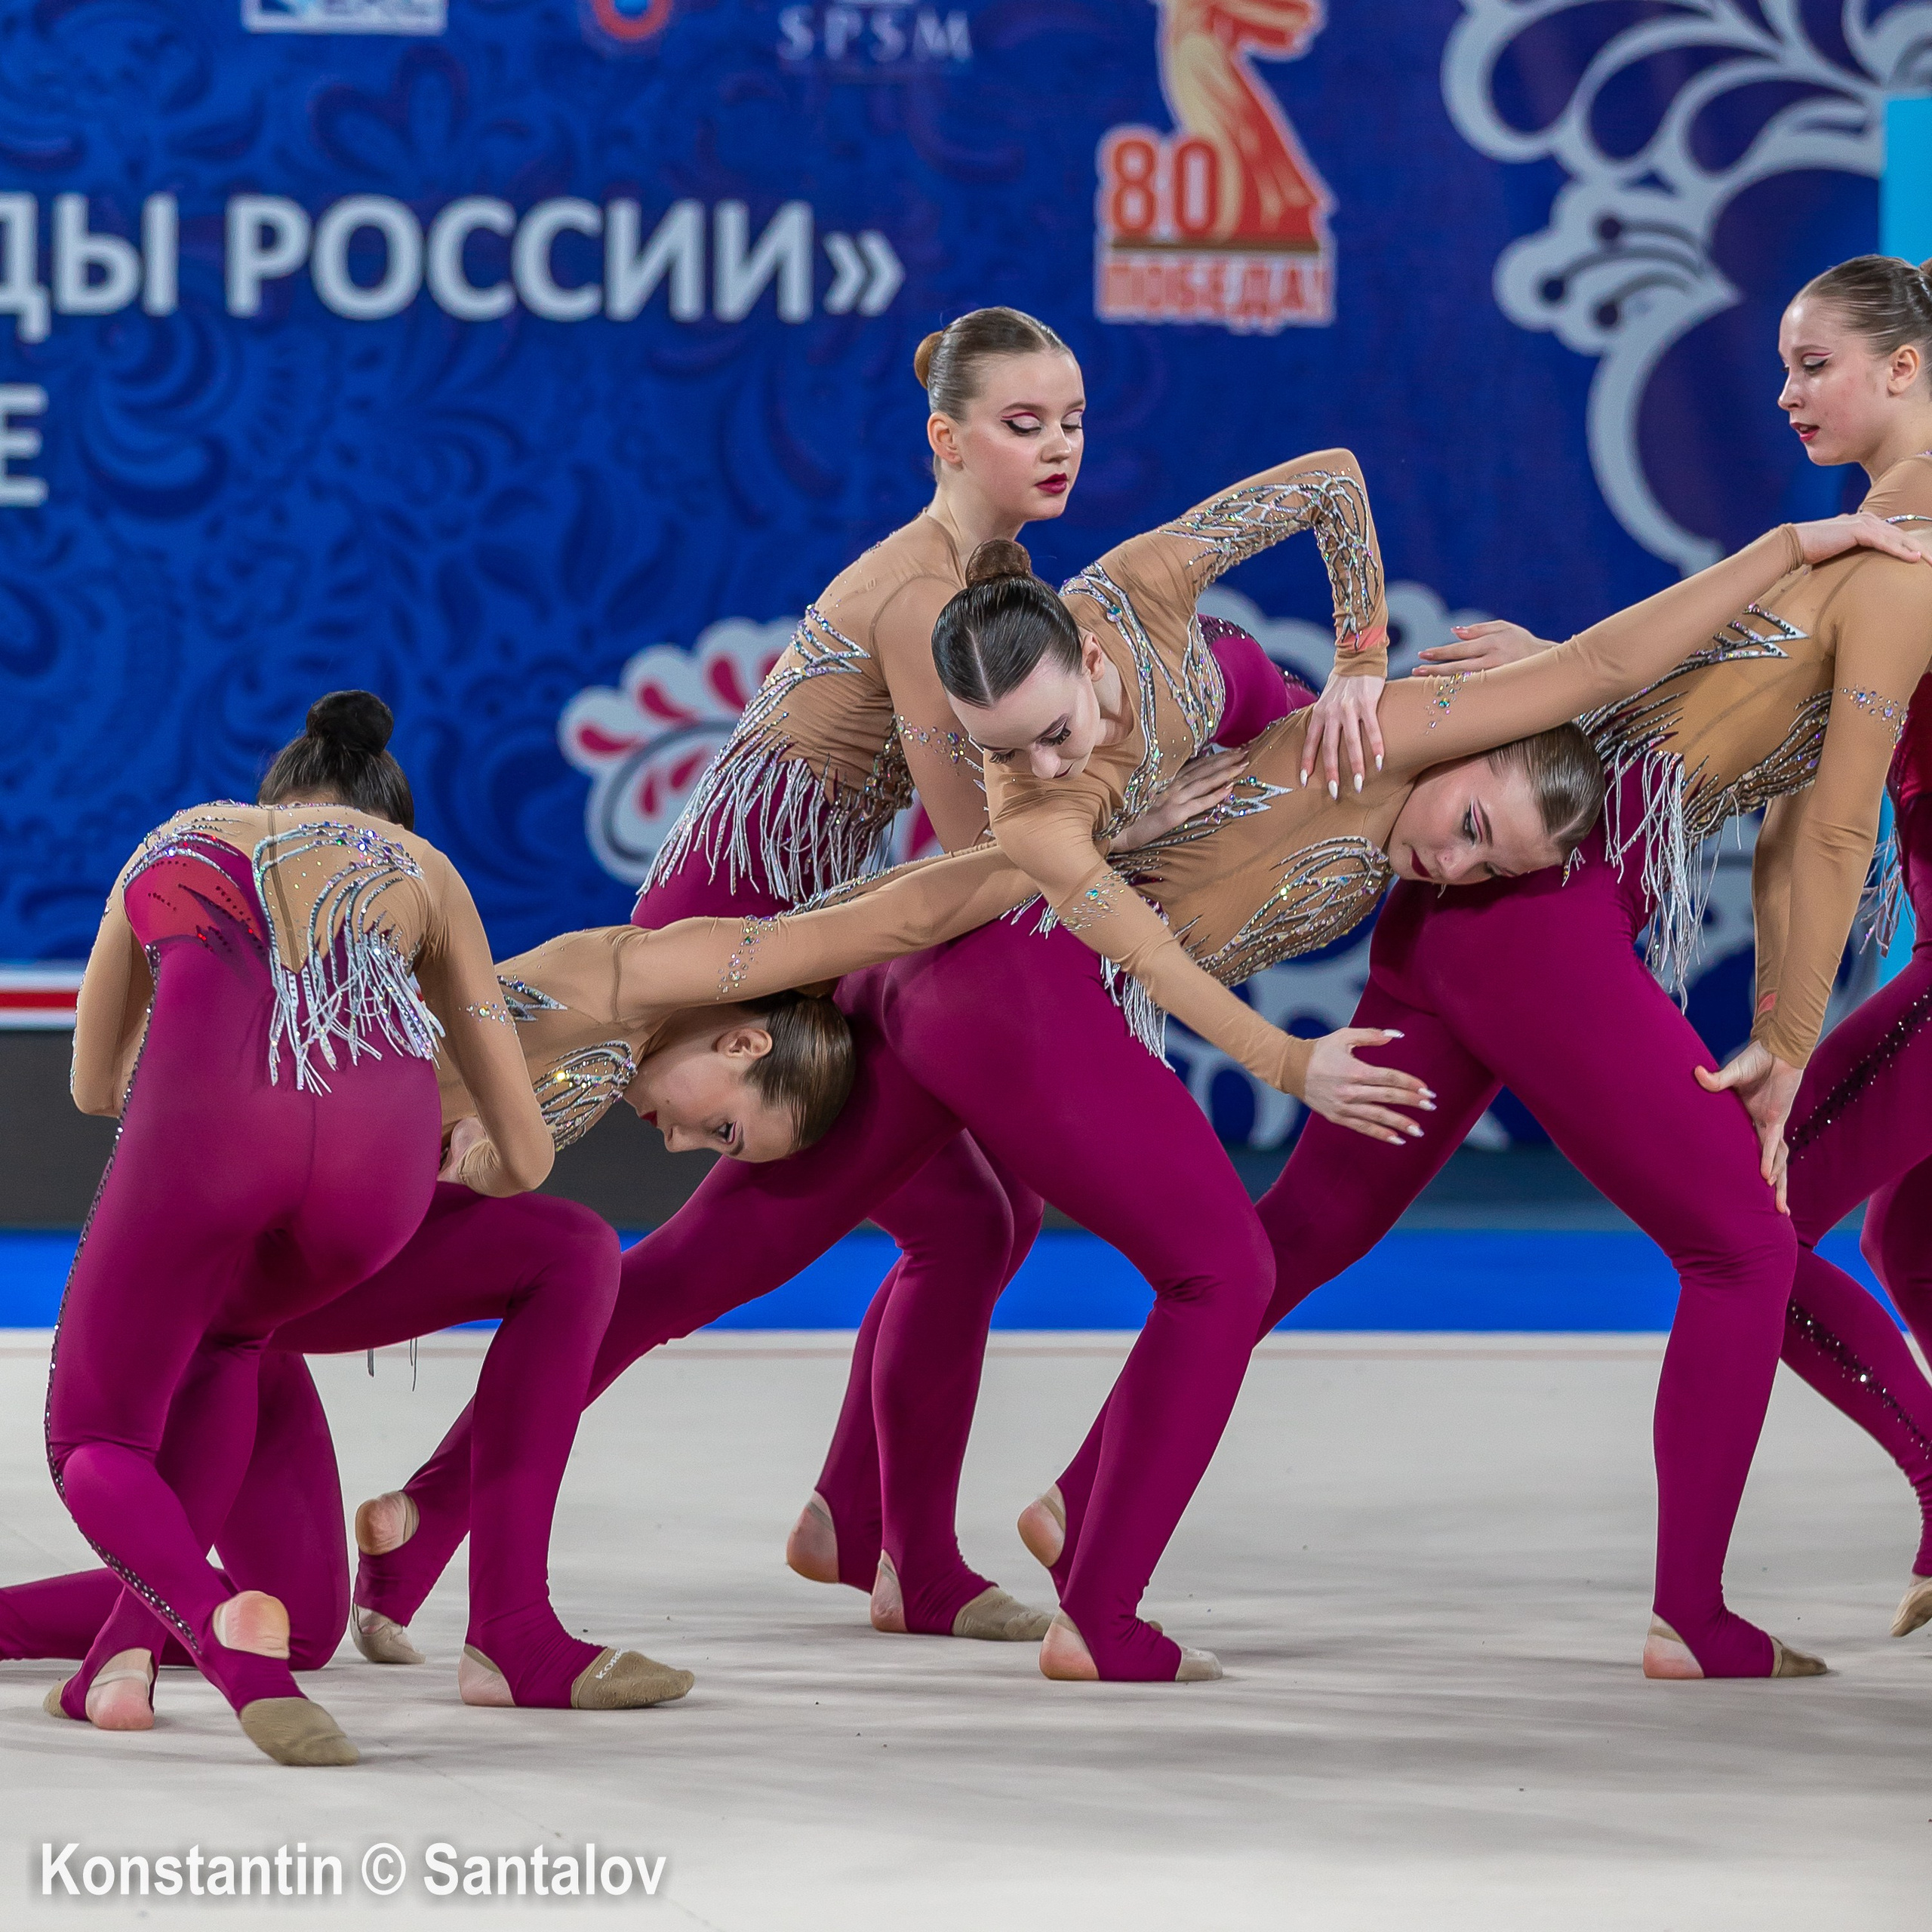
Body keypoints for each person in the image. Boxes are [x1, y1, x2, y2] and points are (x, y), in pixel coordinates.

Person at [355, 457, 1918, 1682]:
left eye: (1492, 862)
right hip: (1016, 984)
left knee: (717, 1259)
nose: (1453, 860)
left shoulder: (1292, 735)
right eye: (1470, 826)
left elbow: (1584, 669)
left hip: (959, 977)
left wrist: (1762, 565)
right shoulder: (1373, 732)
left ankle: (415, 1533)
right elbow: (1598, 660)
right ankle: (1100, 1610)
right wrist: (1791, 544)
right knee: (1220, 1271)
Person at [1040, 253, 1932, 1682]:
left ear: (1904, 370)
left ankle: (1087, 1500)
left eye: (1808, 365)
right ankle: (1694, 1620)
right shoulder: (1886, 557)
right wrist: (1781, 1037)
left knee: (1308, 1231)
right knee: (1744, 1249)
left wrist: (1785, 1023)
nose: (1783, 393)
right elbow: (1822, 824)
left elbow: (1781, 805)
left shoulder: (1855, 549)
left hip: (1477, 899)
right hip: (1539, 901)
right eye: (1786, 364)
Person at [17, 697, 860, 1727]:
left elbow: (98, 1090)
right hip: (263, 1249)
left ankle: (495, 1626)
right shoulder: (416, 889)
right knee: (214, 1412)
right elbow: (517, 1145)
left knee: (297, 1607)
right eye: (720, 1131)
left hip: (258, 1243)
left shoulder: (203, 852)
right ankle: (150, 1643)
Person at [45, 693, 554, 1764]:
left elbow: (94, 1088)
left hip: (209, 1140)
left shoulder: (177, 837)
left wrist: (207, 1077)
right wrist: (466, 1156)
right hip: (377, 1184)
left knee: (97, 1439)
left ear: (277, 789)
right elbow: (528, 1158)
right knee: (230, 1341)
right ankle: (119, 1662)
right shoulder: (424, 868)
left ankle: (222, 1640)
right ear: (386, 810)